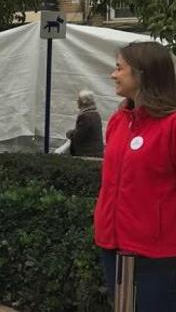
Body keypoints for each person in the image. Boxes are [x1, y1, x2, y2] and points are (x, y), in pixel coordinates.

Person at [94, 41, 176, 310]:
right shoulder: (119, 120)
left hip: (157, 254)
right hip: (112, 244)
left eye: (119, 68)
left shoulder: (171, 125)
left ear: (141, 74)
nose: (113, 74)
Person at [65, 89, 104, 157]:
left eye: (78, 99)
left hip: (87, 153)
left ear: (84, 101)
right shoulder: (95, 114)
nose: (77, 101)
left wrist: (69, 133)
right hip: (95, 152)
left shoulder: (85, 116)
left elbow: (78, 136)